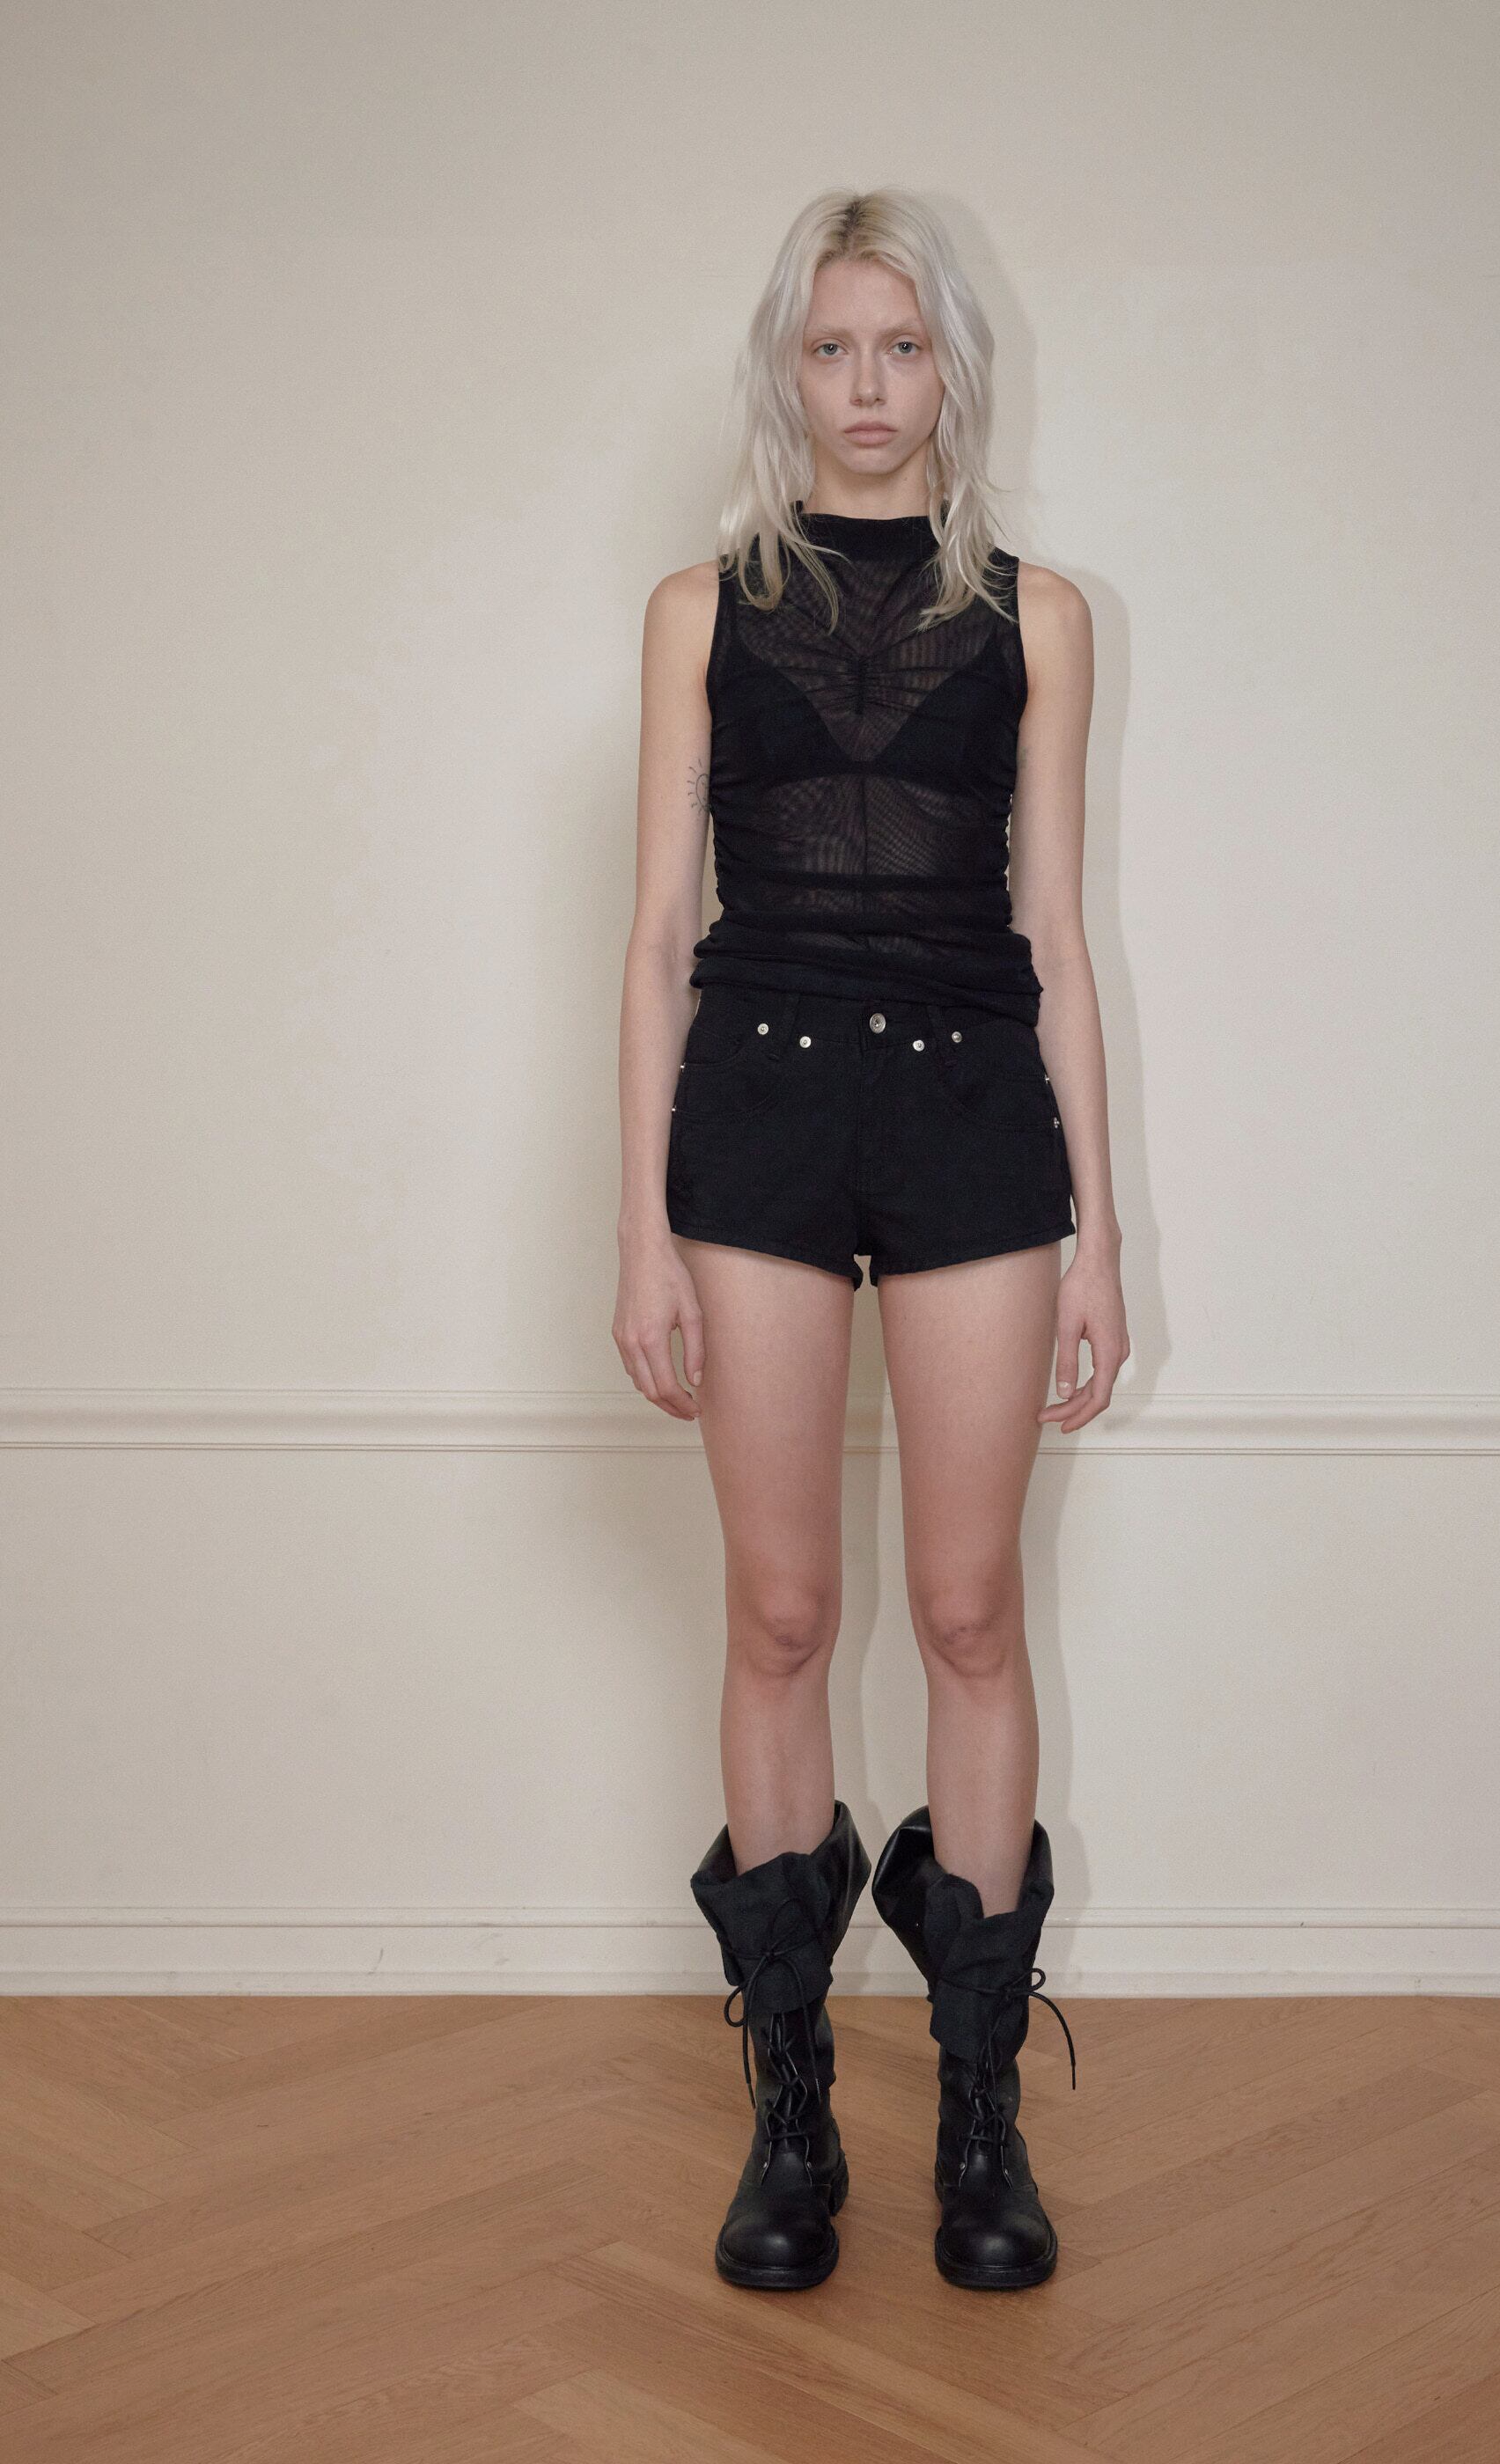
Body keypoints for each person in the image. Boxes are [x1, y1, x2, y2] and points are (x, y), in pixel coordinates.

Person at [613, 187, 1129, 2292]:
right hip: (752, 1106)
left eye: (900, 347)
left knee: (971, 1607)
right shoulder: (695, 610)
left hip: (968, 1109)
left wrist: (1098, 1236)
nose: (864, 387)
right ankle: (792, 2109)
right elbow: (656, 932)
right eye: (829, 348)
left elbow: (1057, 935)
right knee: (781, 1609)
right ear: (785, 368)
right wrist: (637, 1227)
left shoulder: (1040, 613)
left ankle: (980, 2115)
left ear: (950, 370)